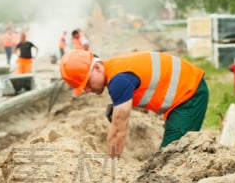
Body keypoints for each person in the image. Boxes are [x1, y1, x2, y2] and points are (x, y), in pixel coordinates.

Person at [59, 49, 209, 156]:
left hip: (189, 93)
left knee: (172, 155)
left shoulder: (118, 80)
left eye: (86, 83)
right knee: (170, 153)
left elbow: (119, 132)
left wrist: (110, 165)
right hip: (185, 91)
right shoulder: (116, 69)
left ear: (97, 68)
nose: (86, 90)